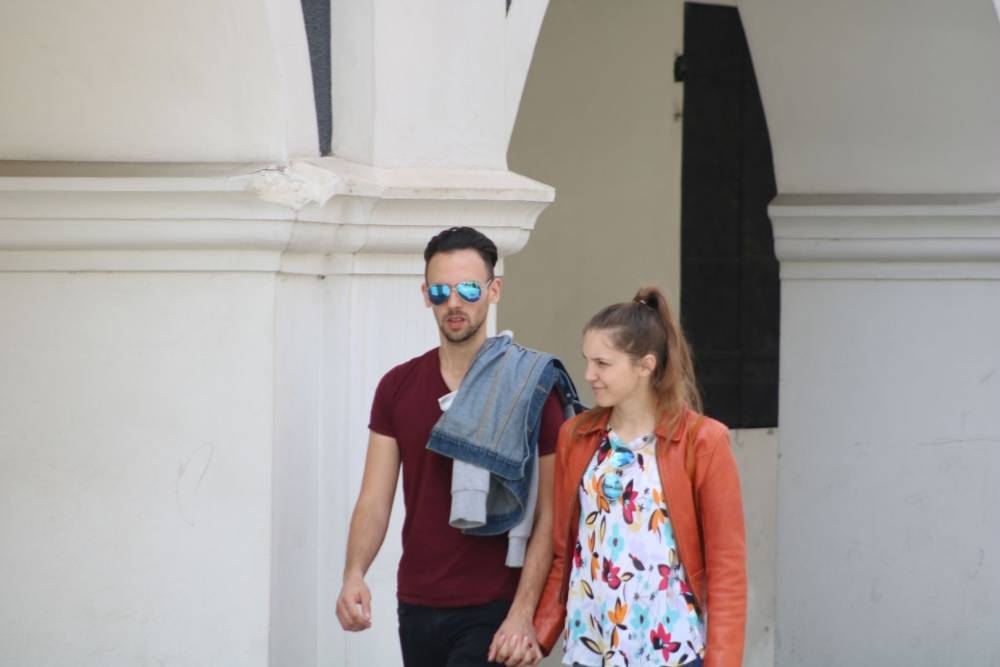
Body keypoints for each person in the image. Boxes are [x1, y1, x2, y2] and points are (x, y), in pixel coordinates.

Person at [336, 226, 568, 667]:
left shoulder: (531, 387)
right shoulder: (397, 386)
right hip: (417, 602)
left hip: (496, 606)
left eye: (468, 289)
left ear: (493, 290)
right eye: (441, 291)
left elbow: (551, 514)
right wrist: (354, 574)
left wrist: (523, 613)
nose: (454, 303)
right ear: (426, 296)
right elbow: (374, 500)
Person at [533, 287, 747, 667]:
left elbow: (727, 569)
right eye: (587, 361)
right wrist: (539, 634)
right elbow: (566, 552)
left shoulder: (704, 441)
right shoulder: (575, 436)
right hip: (591, 649)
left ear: (646, 365)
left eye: (603, 363)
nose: (589, 375)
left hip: (670, 651)